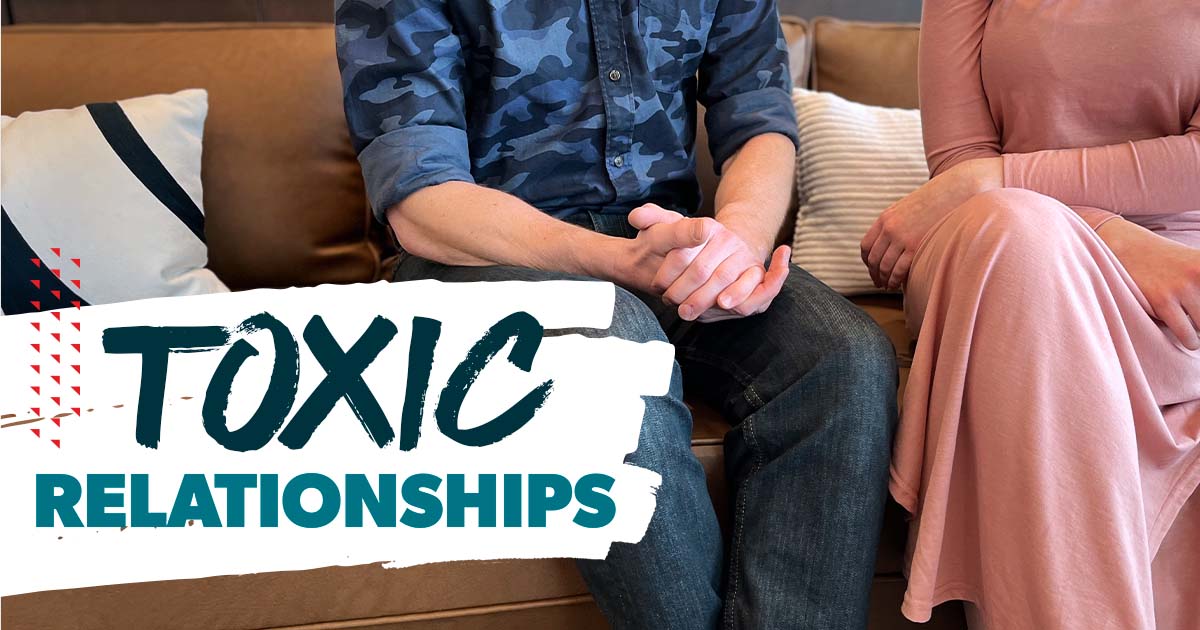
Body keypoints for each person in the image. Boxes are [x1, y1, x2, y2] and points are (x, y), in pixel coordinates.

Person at [336, 1, 898, 628]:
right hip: (478, 254)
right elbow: (421, 201)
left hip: (657, 240)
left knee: (842, 355)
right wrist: (613, 260)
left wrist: (734, 249)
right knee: (614, 354)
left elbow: (758, 119)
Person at [859, 1, 1200, 628]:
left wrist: (994, 178)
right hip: (993, 245)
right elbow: (961, 164)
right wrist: (1107, 235)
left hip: (1177, 264)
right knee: (1020, 239)